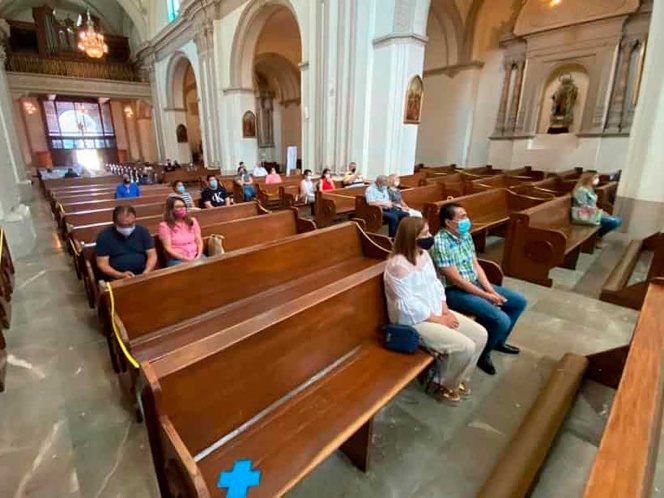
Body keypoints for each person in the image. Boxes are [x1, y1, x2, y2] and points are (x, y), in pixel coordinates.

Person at [384, 217, 488, 403]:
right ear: (410, 238)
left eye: (428, 231)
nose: (429, 236)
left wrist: (444, 306)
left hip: (436, 310)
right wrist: (439, 319)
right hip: (414, 321)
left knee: (480, 334)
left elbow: (435, 283)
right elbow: (407, 304)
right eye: (424, 234)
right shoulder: (398, 266)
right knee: (464, 346)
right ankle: (442, 385)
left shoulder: (423, 254)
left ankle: (459, 378)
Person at [432, 203, 527, 375]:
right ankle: (484, 354)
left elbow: (476, 265)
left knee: (518, 302)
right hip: (454, 292)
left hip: (474, 284)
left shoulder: (465, 236)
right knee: (501, 319)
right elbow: (457, 280)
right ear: (448, 222)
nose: (466, 220)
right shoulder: (440, 242)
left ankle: (498, 341)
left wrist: (492, 291)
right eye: (461, 217)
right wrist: (486, 296)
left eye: (466, 216)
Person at [95, 206, 157, 280]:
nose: (127, 228)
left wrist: (147, 271)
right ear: (115, 223)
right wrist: (120, 275)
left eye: (131, 224)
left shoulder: (142, 231)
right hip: (116, 277)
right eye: (122, 225)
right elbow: (102, 264)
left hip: (142, 272)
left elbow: (152, 255)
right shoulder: (104, 236)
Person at [572, 172, 622, 241]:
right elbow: (583, 207)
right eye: (595, 177)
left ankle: (597, 236)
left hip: (592, 214)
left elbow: (593, 205)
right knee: (614, 222)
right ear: (588, 179)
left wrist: (601, 212)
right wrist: (598, 213)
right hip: (583, 215)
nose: (597, 180)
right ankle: (597, 237)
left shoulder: (591, 189)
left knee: (618, 220)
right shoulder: (581, 190)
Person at [158, 196, 204, 267]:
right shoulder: (164, 226)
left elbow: (199, 240)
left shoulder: (192, 221)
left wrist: (199, 255)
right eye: (178, 207)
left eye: (184, 206)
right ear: (171, 209)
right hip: (177, 259)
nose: (182, 208)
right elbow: (168, 248)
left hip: (196, 255)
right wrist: (186, 259)